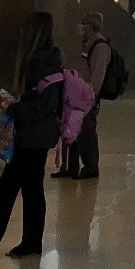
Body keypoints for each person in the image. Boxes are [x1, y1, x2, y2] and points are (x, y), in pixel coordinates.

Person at [0, 12, 64, 261]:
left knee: (7, 189)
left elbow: (42, 104)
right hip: (41, 136)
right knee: (32, 189)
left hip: (31, 137)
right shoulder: (51, 58)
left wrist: (15, 108)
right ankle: (30, 242)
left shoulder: (37, 63)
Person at [55, 13, 112, 181]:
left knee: (87, 131)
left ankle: (90, 167)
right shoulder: (88, 44)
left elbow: (97, 75)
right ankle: (70, 167)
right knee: (73, 130)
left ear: (91, 26)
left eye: (84, 25)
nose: (81, 28)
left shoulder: (100, 47)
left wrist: (91, 97)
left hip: (87, 97)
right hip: (77, 95)